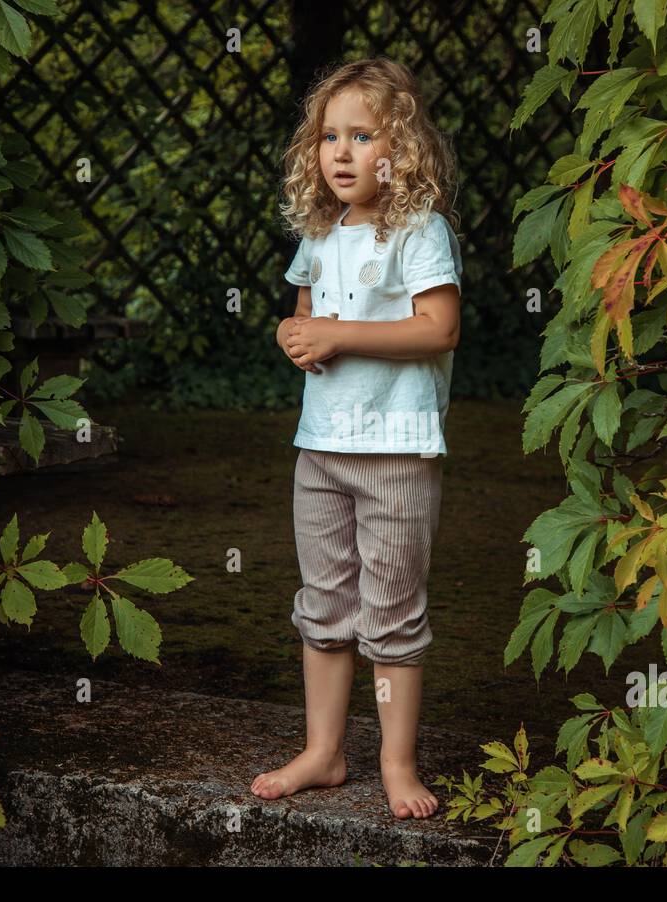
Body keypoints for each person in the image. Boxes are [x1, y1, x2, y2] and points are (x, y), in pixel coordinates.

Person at [252, 57, 463, 820]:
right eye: (329, 136)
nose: (340, 152)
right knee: (324, 602)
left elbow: (439, 329)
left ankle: (396, 762)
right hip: (322, 447)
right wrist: (296, 333)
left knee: (392, 612)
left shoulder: (421, 231)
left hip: (397, 450)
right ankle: (324, 752)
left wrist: (339, 332)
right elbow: (309, 319)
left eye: (362, 135)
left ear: (399, 150)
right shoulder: (320, 233)